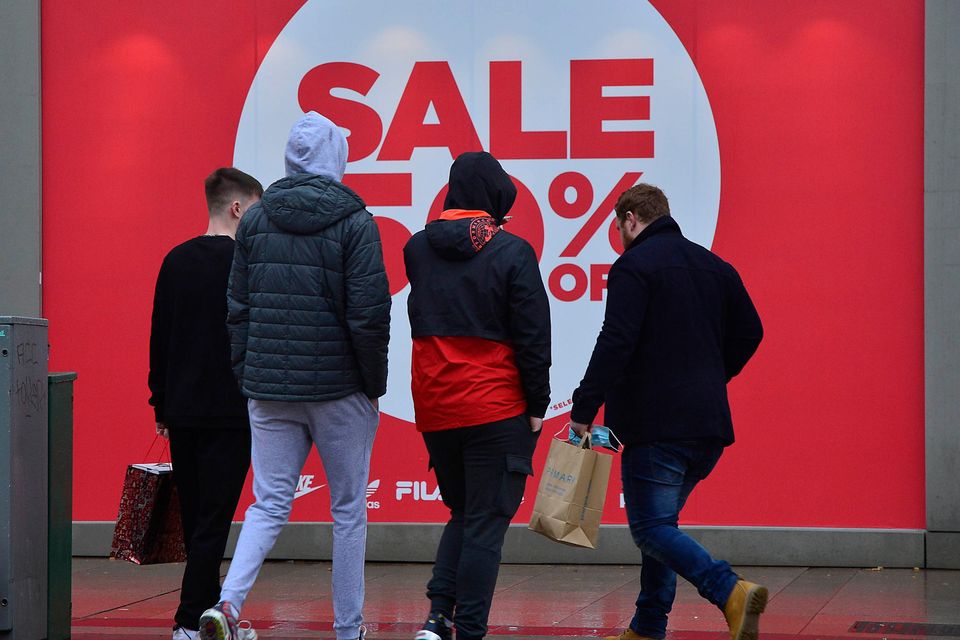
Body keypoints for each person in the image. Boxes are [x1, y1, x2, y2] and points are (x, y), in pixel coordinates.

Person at [198, 112, 391, 640]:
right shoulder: (357, 222)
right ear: (336, 159)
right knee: (349, 510)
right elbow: (369, 315)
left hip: (269, 389)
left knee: (268, 503)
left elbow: (237, 307)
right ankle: (348, 630)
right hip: (340, 389)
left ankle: (228, 604)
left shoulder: (256, 221)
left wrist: (247, 371)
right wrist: (371, 384)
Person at [568, 184, 765, 640]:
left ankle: (731, 592)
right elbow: (750, 332)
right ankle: (648, 625)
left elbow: (615, 341)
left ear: (631, 219)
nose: (618, 235)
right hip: (708, 426)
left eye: (618, 227)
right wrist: (714, 377)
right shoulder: (716, 266)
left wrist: (584, 407)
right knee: (663, 528)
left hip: (656, 426)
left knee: (651, 529)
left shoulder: (634, 266)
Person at [403, 151, 551, 640]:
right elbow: (533, 338)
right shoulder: (513, 252)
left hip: (436, 406)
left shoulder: (416, 249)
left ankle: (437, 620)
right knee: (486, 523)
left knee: (465, 513)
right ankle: (467, 629)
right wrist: (536, 406)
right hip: (495, 405)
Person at [148, 167, 264, 640]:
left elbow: (160, 338)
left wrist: (160, 405)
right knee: (214, 519)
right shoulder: (247, 263)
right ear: (237, 207)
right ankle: (190, 620)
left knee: (200, 516)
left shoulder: (175, 260)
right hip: (231, 411)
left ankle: (205, 613)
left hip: (182, 410)